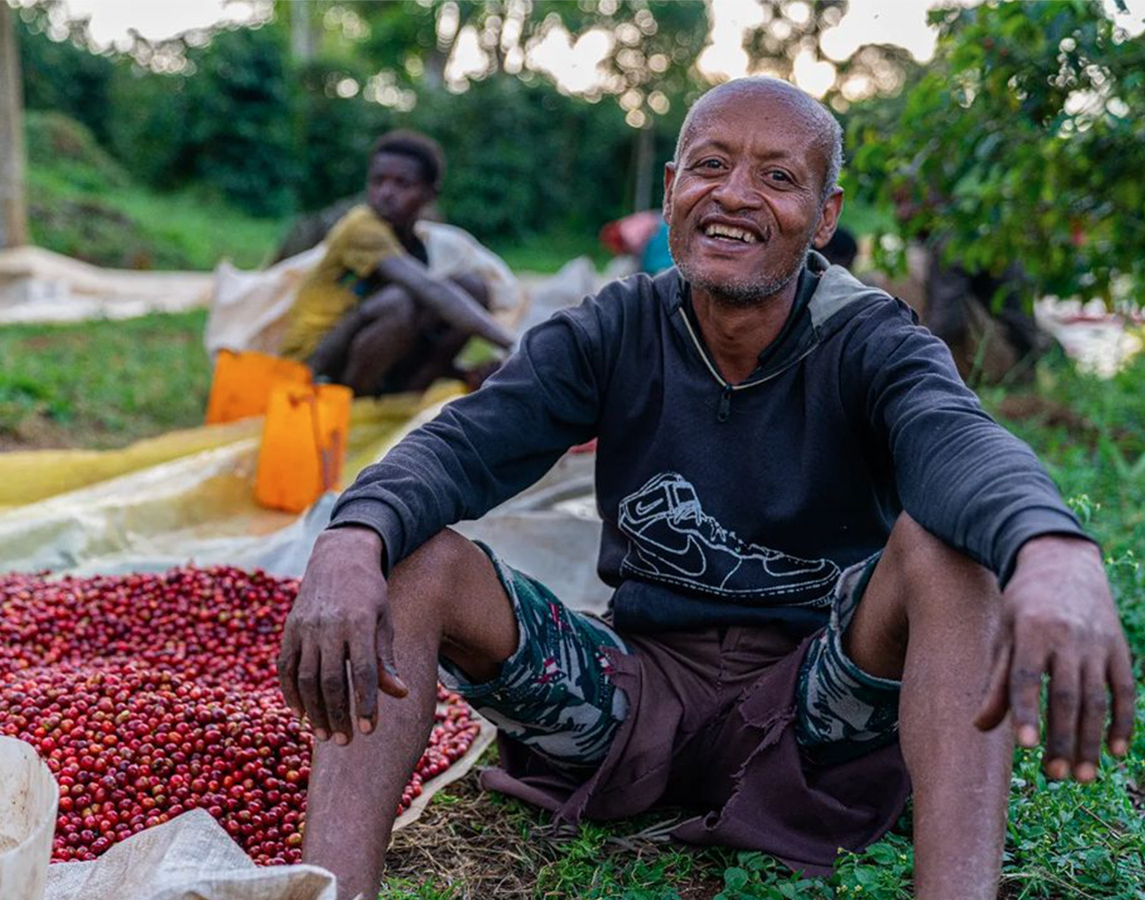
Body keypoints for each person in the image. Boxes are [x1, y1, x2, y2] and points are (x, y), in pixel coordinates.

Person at [277, 79, 1134, 900]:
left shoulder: (872, 338)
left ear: (825, 216)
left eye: (779, 177)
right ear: (673, 185)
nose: (734, 195)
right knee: (409, 552)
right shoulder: (615, 326)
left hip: (817, 705)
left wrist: (1051, 549)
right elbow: (466, 442)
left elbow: (959, 444)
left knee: (952, 557)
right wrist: (354, 536)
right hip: (633, 692)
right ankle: (329, 893)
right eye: (711, 165)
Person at [279, 130, 515, 396]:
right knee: (399, 301)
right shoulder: (362, 227)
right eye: (377, 181)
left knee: (473, 287)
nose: (386, 193)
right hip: (316, 359)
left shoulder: (417, 245)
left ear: (429, 195)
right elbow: (431, 289)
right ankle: (355, 399)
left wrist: (462, 371)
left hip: (365, 354)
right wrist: (512, 343)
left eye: (402, 184)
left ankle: (412, 388)